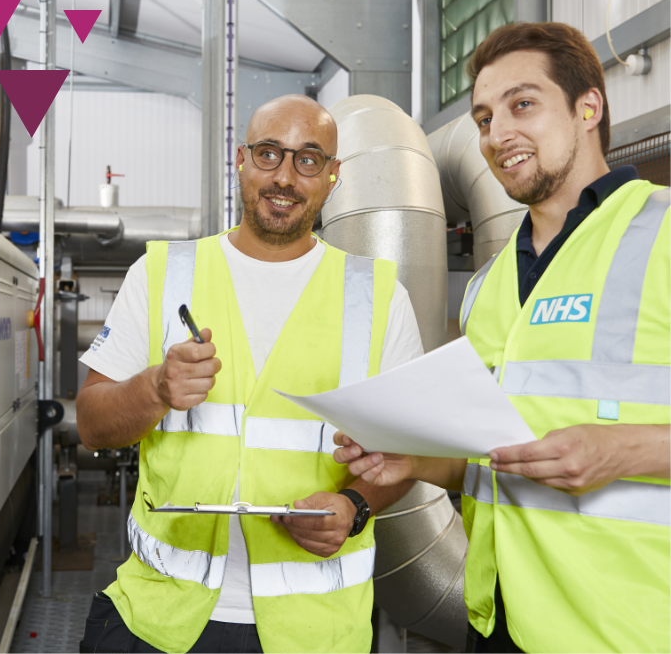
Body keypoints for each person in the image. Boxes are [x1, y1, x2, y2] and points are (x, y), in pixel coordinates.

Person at [334, 22, 671, 654]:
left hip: (634, 630)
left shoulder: (664, 233)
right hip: (498, 624)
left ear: (587, 107)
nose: (497, 135)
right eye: (484, 117)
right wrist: (415, 463)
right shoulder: (488, 285)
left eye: (523, 105)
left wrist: (625, 451)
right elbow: (492, 462)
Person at [76, 94, 425, 654]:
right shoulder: (162, 273)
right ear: (241, 160)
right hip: (161, 616)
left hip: (315, 631)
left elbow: (412, 450)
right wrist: (156, 387)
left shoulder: (378, 296)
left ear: (334, 176)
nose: (285, 176)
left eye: (308, 160)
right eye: (269, 154)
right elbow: (91, 423)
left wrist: (355, 506)